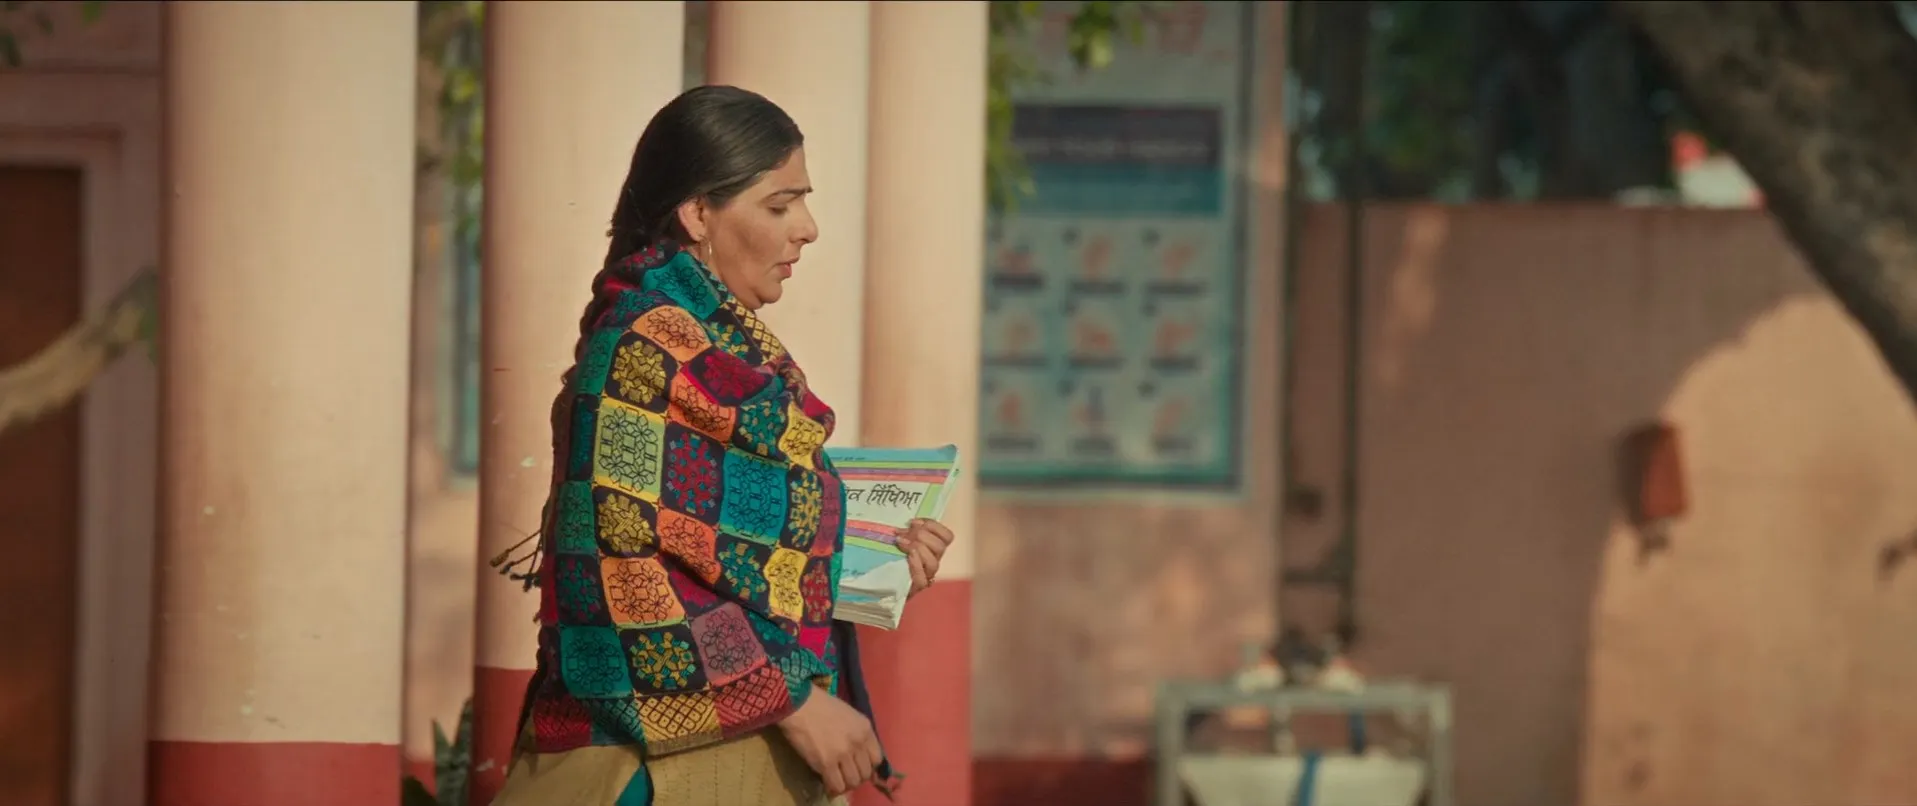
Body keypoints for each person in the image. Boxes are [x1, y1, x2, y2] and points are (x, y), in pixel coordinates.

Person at [489, 85, 958, 806]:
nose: (808, 229)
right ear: (698, 213)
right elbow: (619, 570)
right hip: (650, 771)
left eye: (803, 203)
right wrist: (791, 702)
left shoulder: (728, 357)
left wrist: (871, 559)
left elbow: (722, 552)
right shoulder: (640, 350)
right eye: (779, 205)